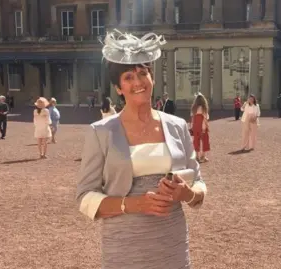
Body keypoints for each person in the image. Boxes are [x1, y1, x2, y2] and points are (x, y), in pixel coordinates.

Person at [76, 30, 207, 269]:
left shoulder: (177, 126)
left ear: (152, 77)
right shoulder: (101, 131)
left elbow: (198, 184)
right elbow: (85, 197)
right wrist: (135, 204)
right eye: (128, 77)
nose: (137, 82)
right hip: (124, 248)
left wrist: (186, 193)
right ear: (118, 88)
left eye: (142, 73)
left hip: (172, 246)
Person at [190, 93, 210, 162]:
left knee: (196, 141)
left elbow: (192, 119)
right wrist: (205, 127)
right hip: (202, 126)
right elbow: (205, 118)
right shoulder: (203, 108)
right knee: (205, 141)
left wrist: (192, 127)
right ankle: (203, 156)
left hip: (195, 126)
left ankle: (197, 156)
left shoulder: (194, 108)